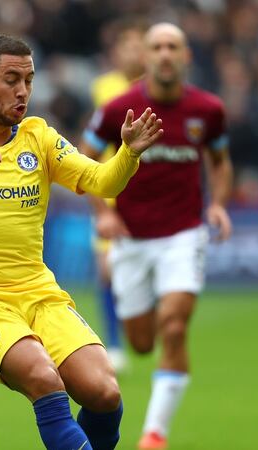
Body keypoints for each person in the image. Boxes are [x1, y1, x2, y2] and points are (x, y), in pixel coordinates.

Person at [0, 34, 163, 450]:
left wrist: (128, 153)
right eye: (10, 79)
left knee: (105, 393)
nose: (22, 90)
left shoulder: (38, 138)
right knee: (43, 377)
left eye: (29, 79)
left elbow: (100, 180)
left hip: (39, 294)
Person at [79, 23, 233, 450]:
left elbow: (220, 161)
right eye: (157, 47)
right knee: (142, 342)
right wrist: (102, 214)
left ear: (186, 56)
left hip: (184, 234)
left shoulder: (208, 109)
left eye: (173, 47)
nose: (165, 54)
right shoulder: (118, 109)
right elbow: (81, 161)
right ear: (145, 57)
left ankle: (154, 434)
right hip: (130, 237)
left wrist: (217, 203)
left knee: (175, 325)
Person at [84, 18, 147, 373]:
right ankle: (115, 341)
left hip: (150, 194)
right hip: (112, 189)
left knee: (145, 271)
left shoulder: (158, 91)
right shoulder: (103, 87)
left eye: (138, 46)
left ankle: (140, 325)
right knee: (107, 270)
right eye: (126, 46)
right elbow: (92, 141)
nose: (131, 53)